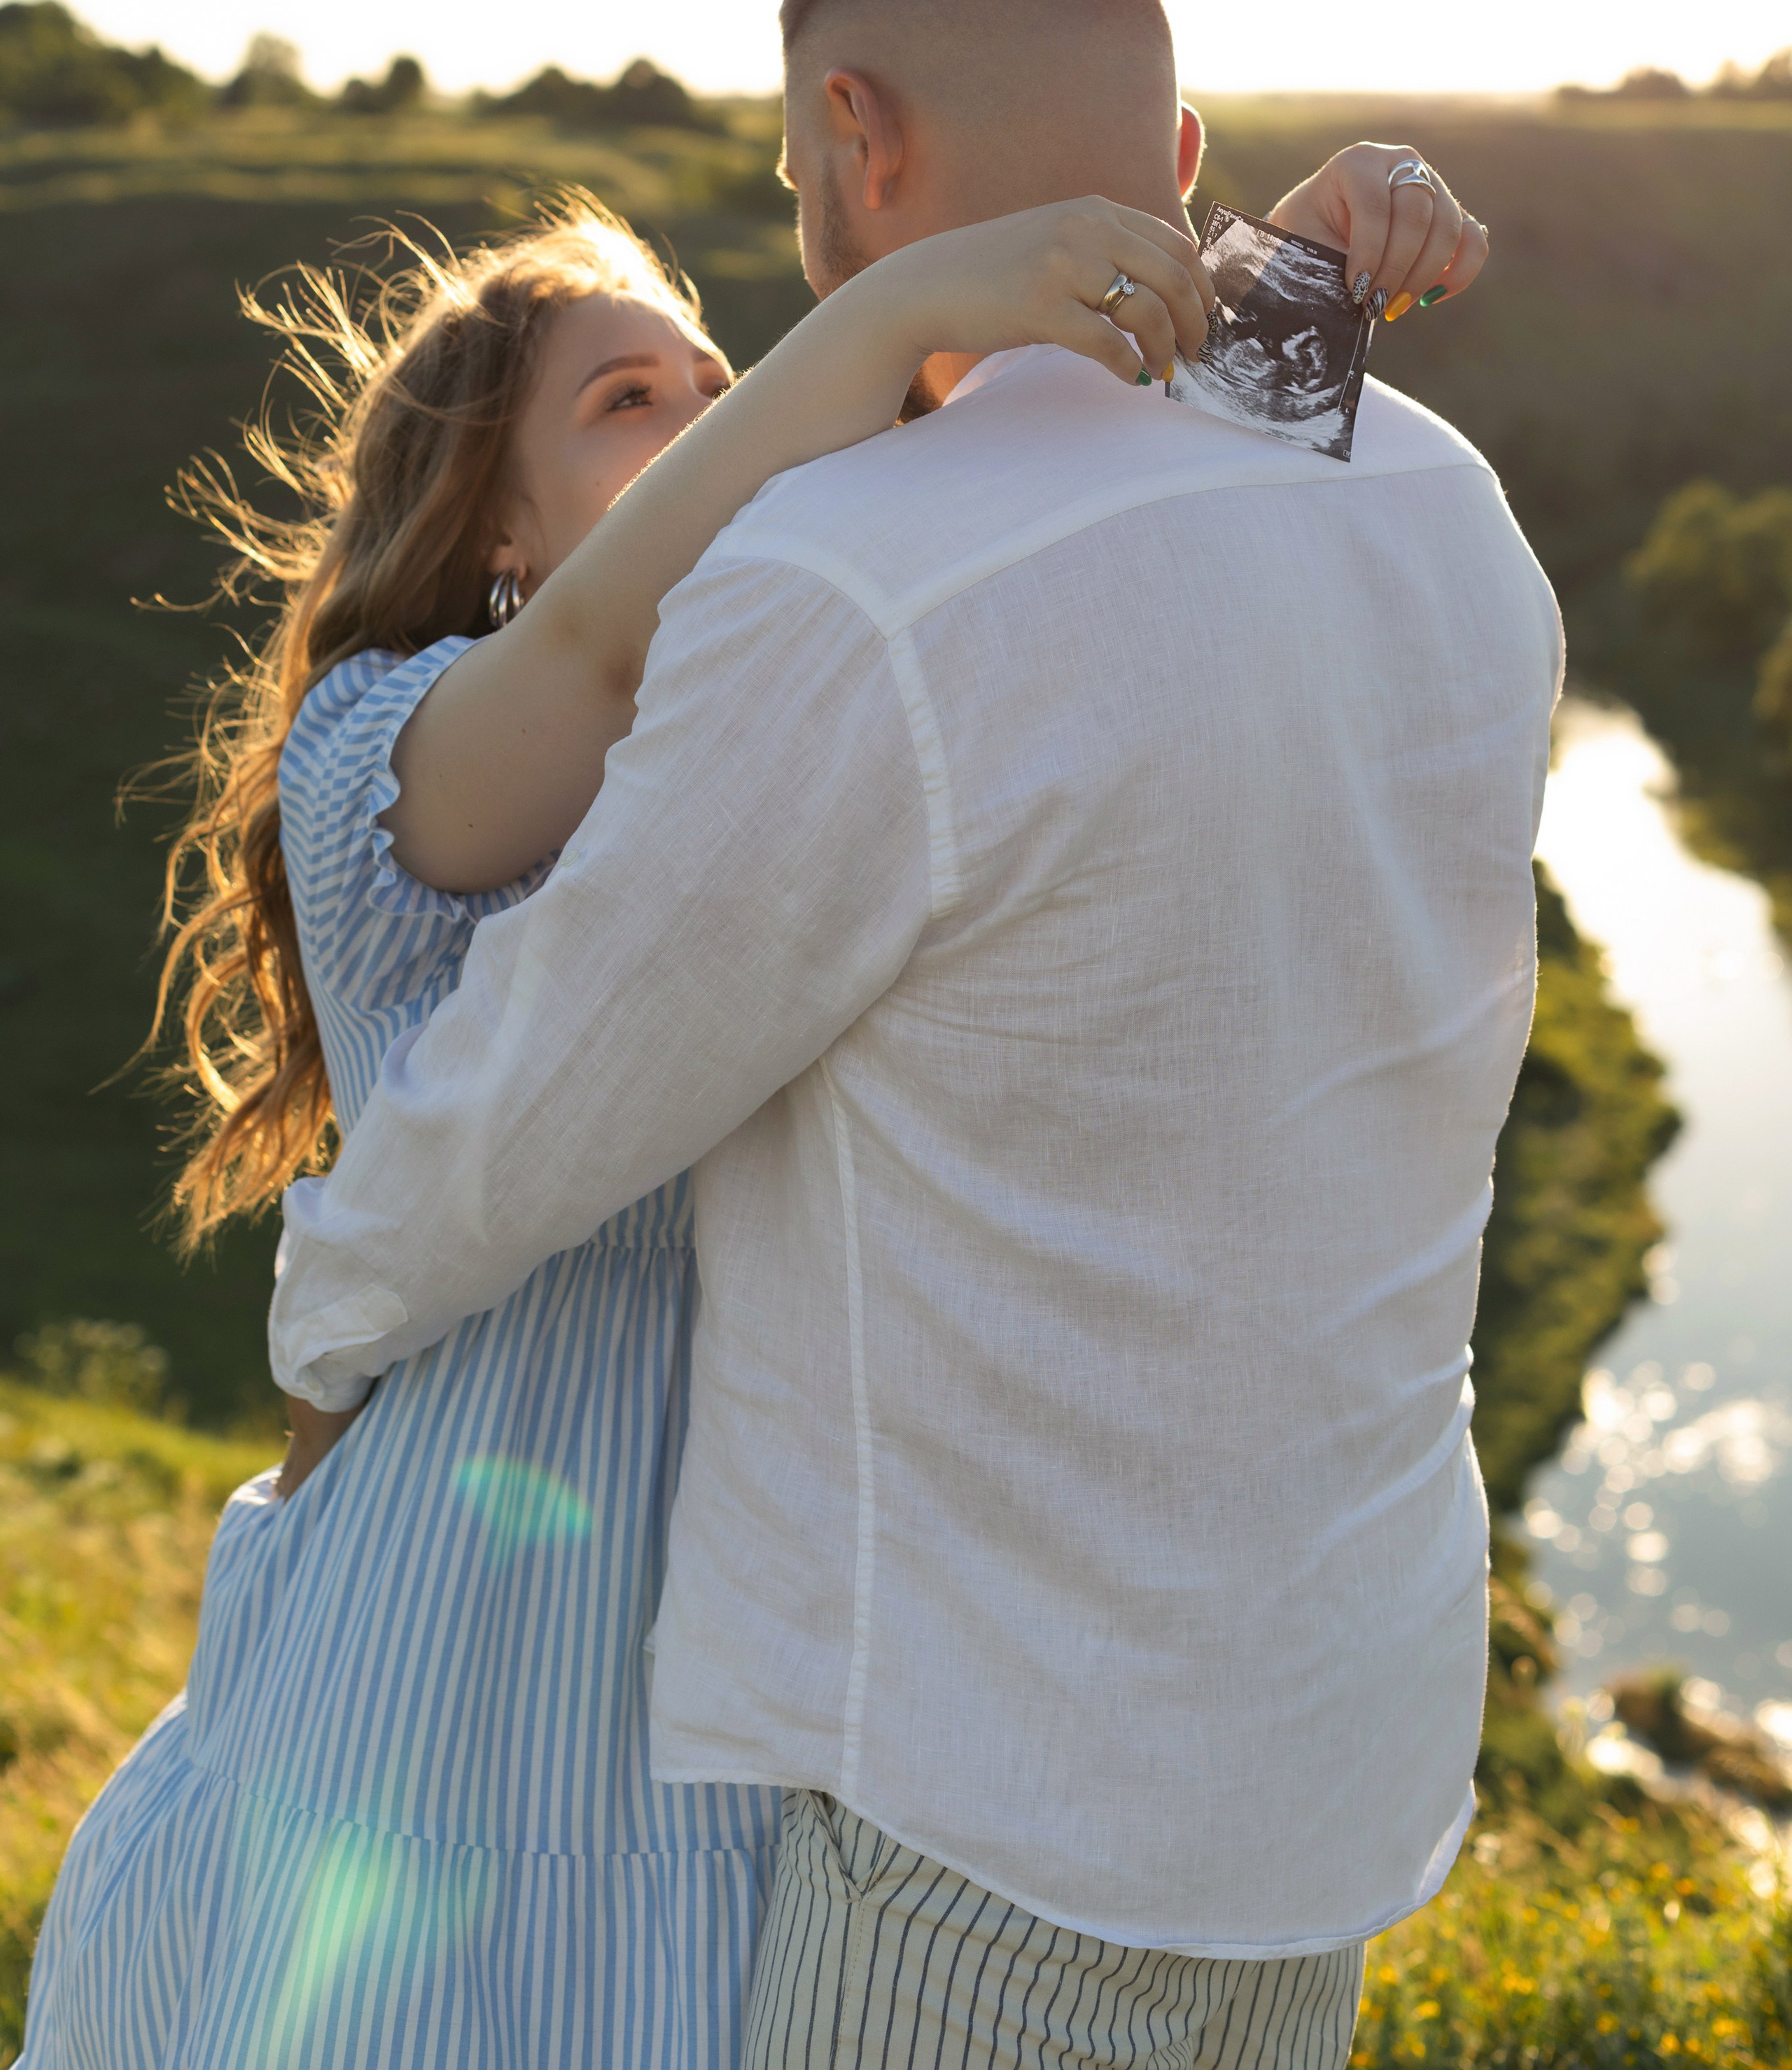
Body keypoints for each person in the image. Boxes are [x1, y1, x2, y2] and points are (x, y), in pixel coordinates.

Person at [265, 0, 1555, 2070]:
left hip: (992, 1797)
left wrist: (325, 1311)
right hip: (1334, 1769)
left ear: (858, 139)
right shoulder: (1446, 505)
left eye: (791, 178)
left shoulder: (863, 579)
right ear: (1175, 156)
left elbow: (553, 1086)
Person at [17, 189, 1219, 2070]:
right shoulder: (385, 746)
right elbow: (590, 648)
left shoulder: (788, 751)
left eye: (719, 380)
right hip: (448, 1655)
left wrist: (1306, 253)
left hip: (725, 1676)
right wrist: (898, 305)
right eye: (628, 400)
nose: (714, 412)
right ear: (495, 526)